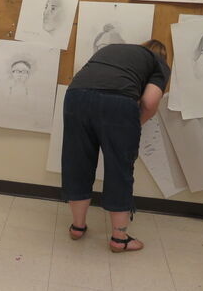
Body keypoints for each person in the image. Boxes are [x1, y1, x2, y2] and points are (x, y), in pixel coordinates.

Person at [61, 39, 170, 252]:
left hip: (75, 96)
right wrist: (132, 125)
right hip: (118, 102)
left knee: (77, 162)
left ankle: (77, 227)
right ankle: (119, 239)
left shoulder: (111, 49)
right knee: (119, 168)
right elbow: (149, 102)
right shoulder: (159, 63)